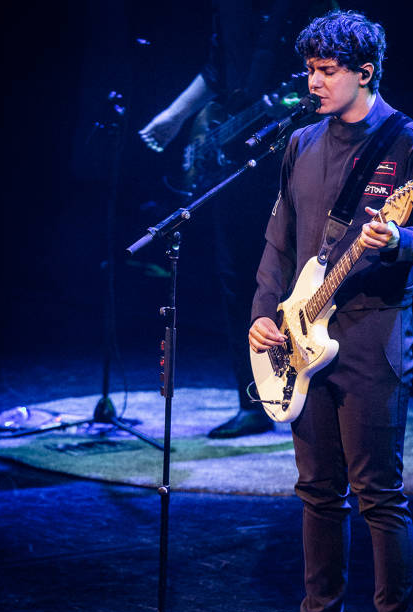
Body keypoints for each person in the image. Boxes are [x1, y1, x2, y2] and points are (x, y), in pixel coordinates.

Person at [249, 10, 413, 612]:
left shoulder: (412, 144)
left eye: (327, 70)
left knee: (378, 494)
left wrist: (397, 239)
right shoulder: (301, 143)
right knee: (315, 490)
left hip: (373, 333)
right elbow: (279, 241)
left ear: (365, 71)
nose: (313, 81)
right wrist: (262, 314)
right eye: (309, 69)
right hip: (304, 334)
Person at [140, 1, 332, 439]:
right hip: (240, 159)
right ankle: (254, 400)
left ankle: (318, 398)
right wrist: (174, 117)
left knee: (313, 275)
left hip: (306, 146)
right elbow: (216, 69)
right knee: (240, 280)